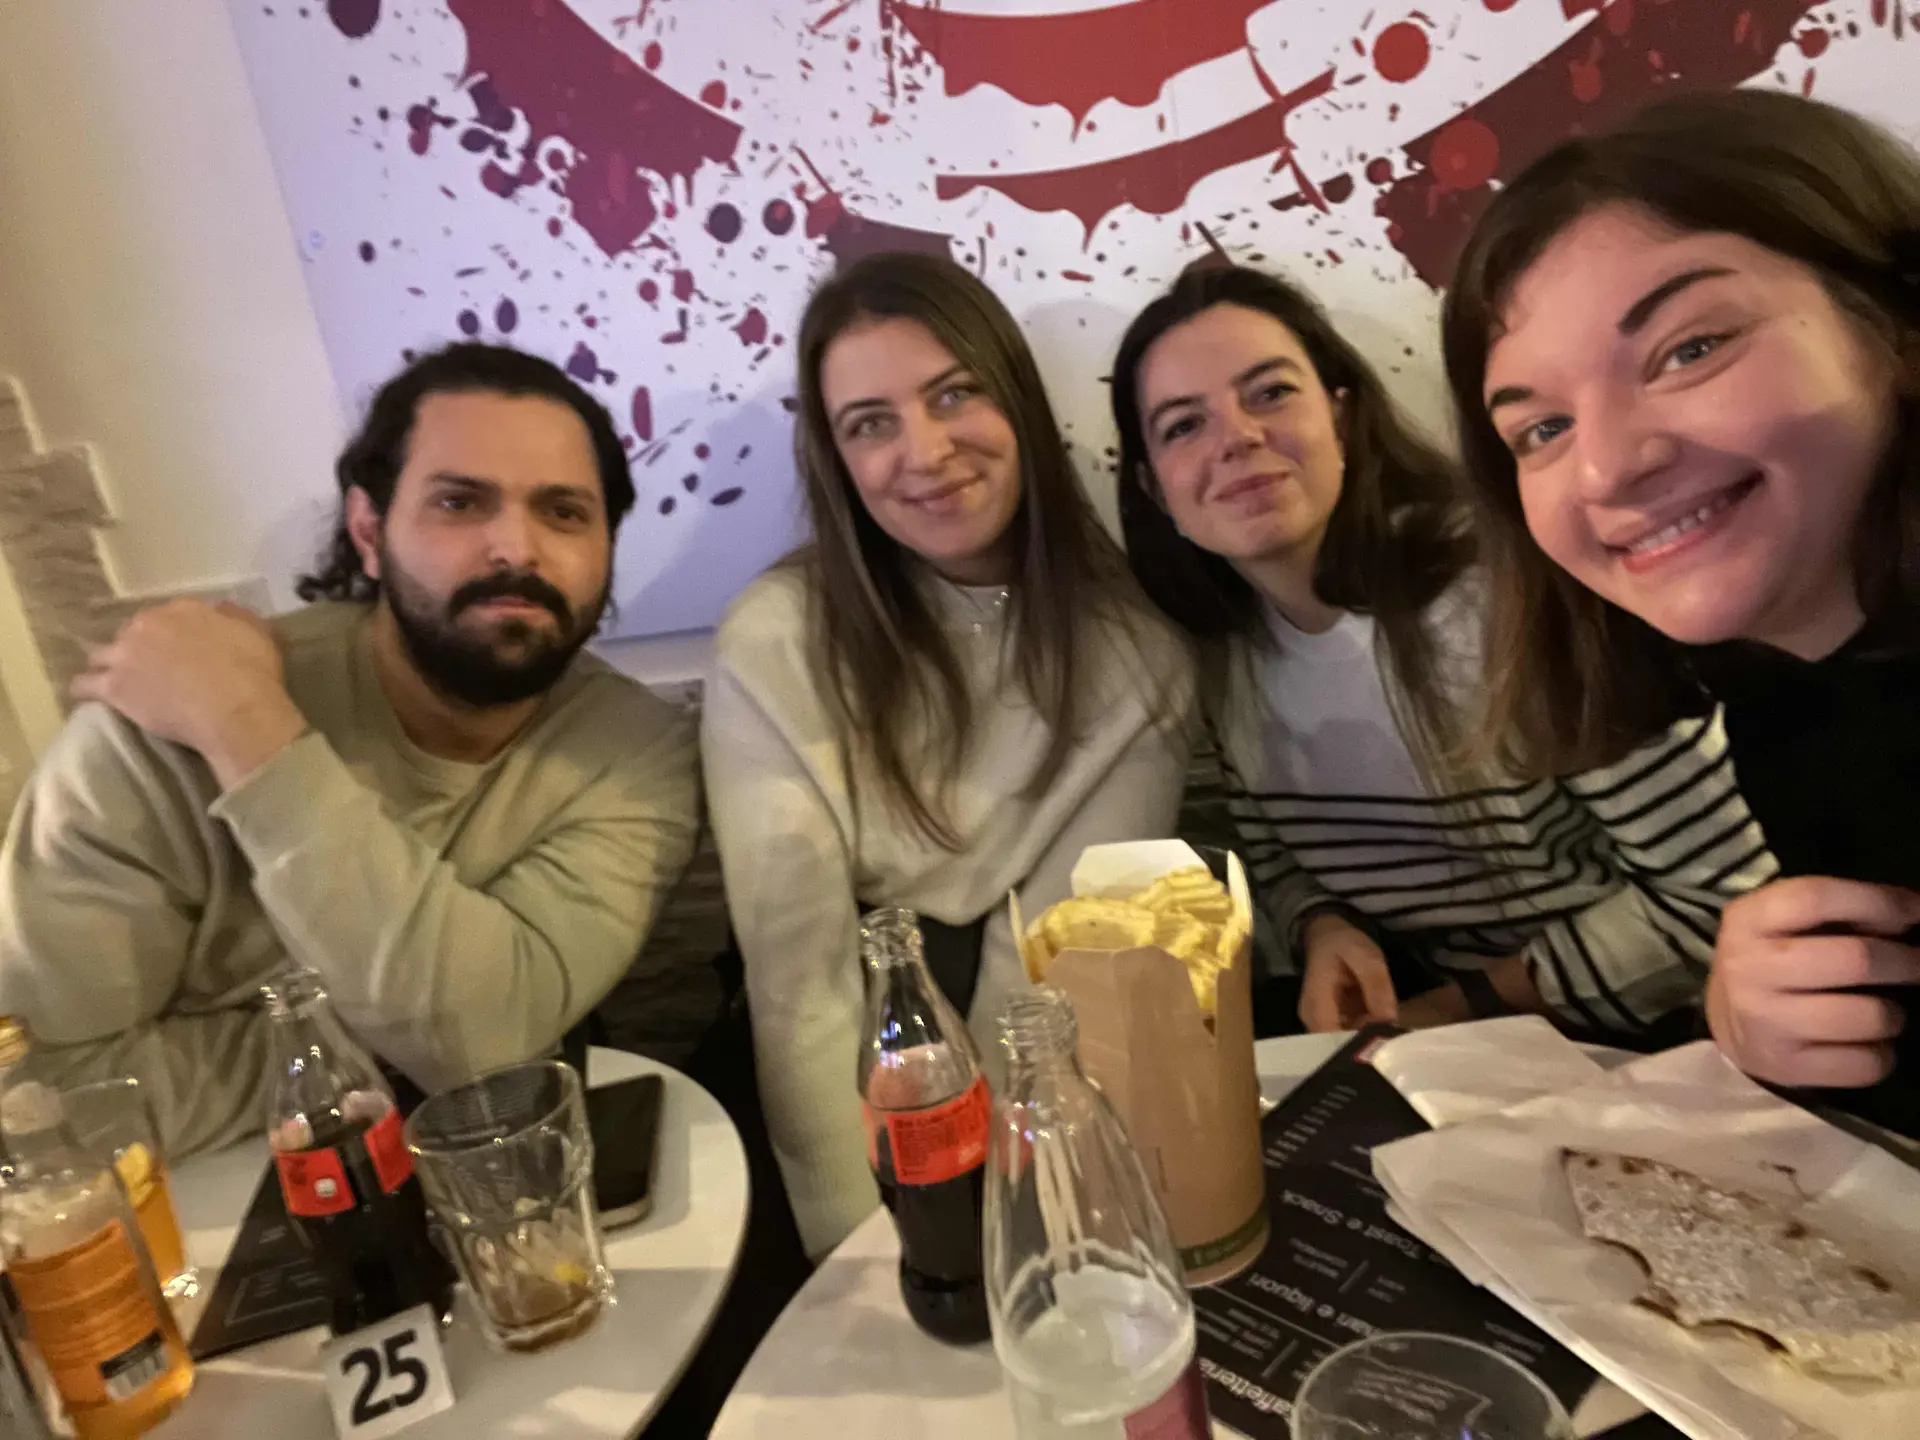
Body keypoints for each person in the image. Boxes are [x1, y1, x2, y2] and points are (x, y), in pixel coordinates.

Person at [0, 343, 701, 1156]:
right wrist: (404, 1036)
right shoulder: (161, 721)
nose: (516, 547)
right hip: (173, 1207)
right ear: (369, 531)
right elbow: (41, 1097)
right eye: (459, 503)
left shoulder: (634, 752)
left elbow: (486, 1045)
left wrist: (257, 741)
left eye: (564, 513)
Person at [1113, 262, 1774, 1038]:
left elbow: (1713, 898)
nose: (1239, 438)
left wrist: (1456, 1010)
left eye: (1271, 393)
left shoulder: (1519, 597)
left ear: (1341, 419)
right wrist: (1323, 927)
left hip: (1644, 1034)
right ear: (1155, 489)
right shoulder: (1213, 658)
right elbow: (1270, 858)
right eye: (1183, 426)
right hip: (1430, 1036)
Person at [1442, 89, 1920, 1138]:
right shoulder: (1773, 689)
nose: (1607, 468)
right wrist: (1751, 1023)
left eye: (1689, 349)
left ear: (1894, 323)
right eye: (1542, 429)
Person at [703, 252, 1195, 1258]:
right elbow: (801, 984)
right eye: (869, 424)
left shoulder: (1139, 653)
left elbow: (1051, 961)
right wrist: (860, 1256)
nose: (924, 452)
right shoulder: (778, 638)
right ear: (837, 460)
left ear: (1016, 401)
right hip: (843, 1079)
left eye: (954, 394)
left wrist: (1006, 1225)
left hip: (1050, 1072)